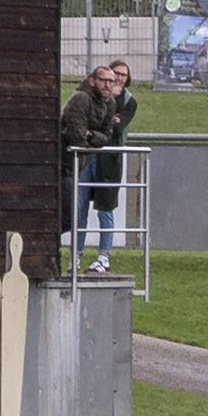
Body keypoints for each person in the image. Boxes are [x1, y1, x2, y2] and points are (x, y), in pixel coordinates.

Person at [76, 60, 137, 274]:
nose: (118, 78)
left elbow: (116, 128)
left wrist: (106, 118)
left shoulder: (129, 101)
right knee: (80, 207)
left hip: (110, 160)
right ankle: (76, 255)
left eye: (123, 75)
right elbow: (86, 119)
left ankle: (104, 257)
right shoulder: (94, 95)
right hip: (88, 156)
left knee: (105, 208)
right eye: (115, 73)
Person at [59, 63, 118, 249]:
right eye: (103, 80)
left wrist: (91, 135)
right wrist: (90, 138)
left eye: (111, 81)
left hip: (77, 166)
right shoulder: (81, 98)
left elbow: (107, 137)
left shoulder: (110, 103)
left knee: (70, 217)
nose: (107, 85)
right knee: (68, 216)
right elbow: (77, 138)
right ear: (92, 81)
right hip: (61, 164)